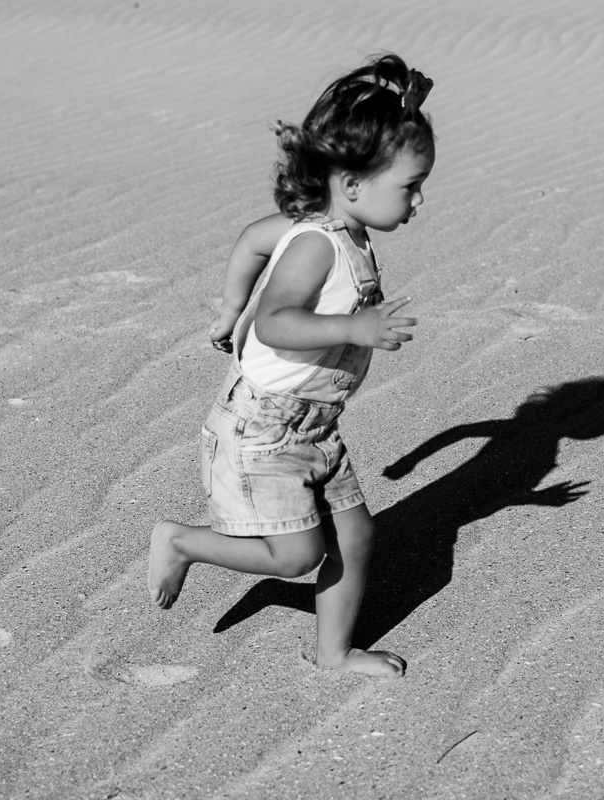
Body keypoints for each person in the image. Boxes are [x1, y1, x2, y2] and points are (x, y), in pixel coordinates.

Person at [149, 54, 435, 676]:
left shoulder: (340, 228)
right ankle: (181, 540)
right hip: (263, 426)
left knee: (356, 536)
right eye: (410, 185)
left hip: (314, 425)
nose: (419, 198)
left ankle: (333, 651)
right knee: (298, 555)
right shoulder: (316, 244)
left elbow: (254, 238)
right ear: (353, 185)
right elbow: (276, 321)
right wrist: (352, 327)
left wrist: (230, 306)